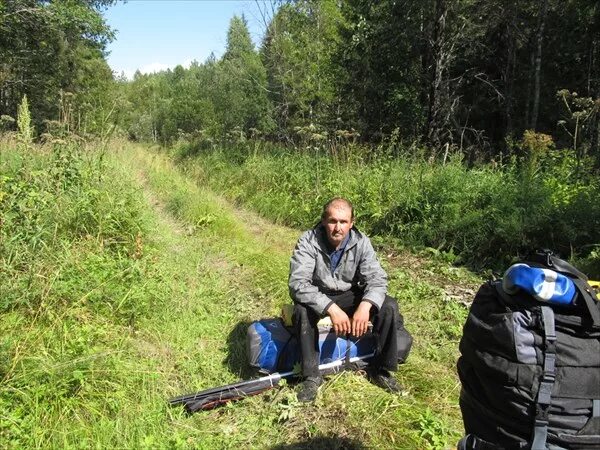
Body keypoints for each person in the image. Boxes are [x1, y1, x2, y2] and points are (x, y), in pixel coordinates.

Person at [289, 197, 406, 402]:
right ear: (324, 221)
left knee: (388, 306)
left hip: (350, 293)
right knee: (301, 310)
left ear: (352, 223)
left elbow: (377, 279)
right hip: (319, 294)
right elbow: (298, 283)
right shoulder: (308, 241)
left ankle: (381, 370)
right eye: (333, 221)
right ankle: (311, 376)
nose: (337, 228)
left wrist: (365, 305)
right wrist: (331, 309)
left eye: (343, 222)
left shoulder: (361, 242)